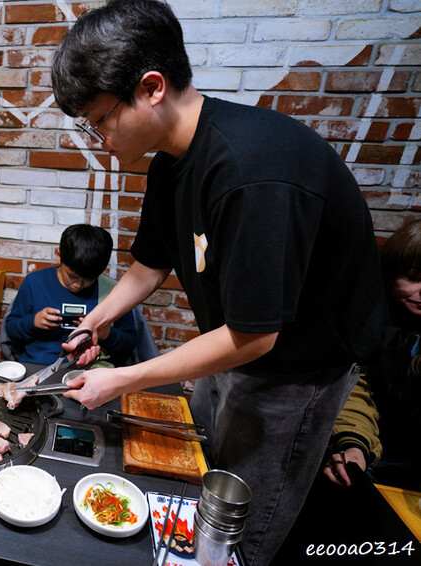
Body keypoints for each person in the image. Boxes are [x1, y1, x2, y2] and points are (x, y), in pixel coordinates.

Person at [50, 1, 389, 564]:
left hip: (295, 370)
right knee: (196, 469)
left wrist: (125, 378)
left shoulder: (251, 172)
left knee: (236, 525)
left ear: (152, 87)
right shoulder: (170, 161)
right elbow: (150, 265)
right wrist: (96, 320)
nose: (98, 136)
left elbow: (257, 337)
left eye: (100, 119)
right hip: (231, 346)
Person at [324, 220, 421, 491]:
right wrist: (354, 443)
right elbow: (356, 387)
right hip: (371, 459)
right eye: (413, 278)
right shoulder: (368, 324)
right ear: (390, 277)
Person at [3, 224, 143, 366]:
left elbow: (129, 346)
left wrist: (105, 333)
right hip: (39, 366)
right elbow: (11, 330)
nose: (79, 284)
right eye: (72, 276)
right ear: (59, 256)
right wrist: (34, 322)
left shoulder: (115, 291)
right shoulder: (35, 282)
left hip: (95, 370)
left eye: (89, 278)